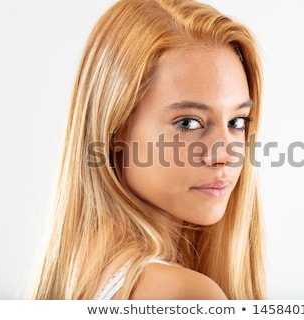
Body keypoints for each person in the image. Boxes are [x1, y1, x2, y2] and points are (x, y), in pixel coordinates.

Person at [33, 0, 265, 300]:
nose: (225, 154)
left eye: (236, 121)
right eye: (188, 122)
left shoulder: (81, 273)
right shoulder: (184, 294)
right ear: (115, 129)